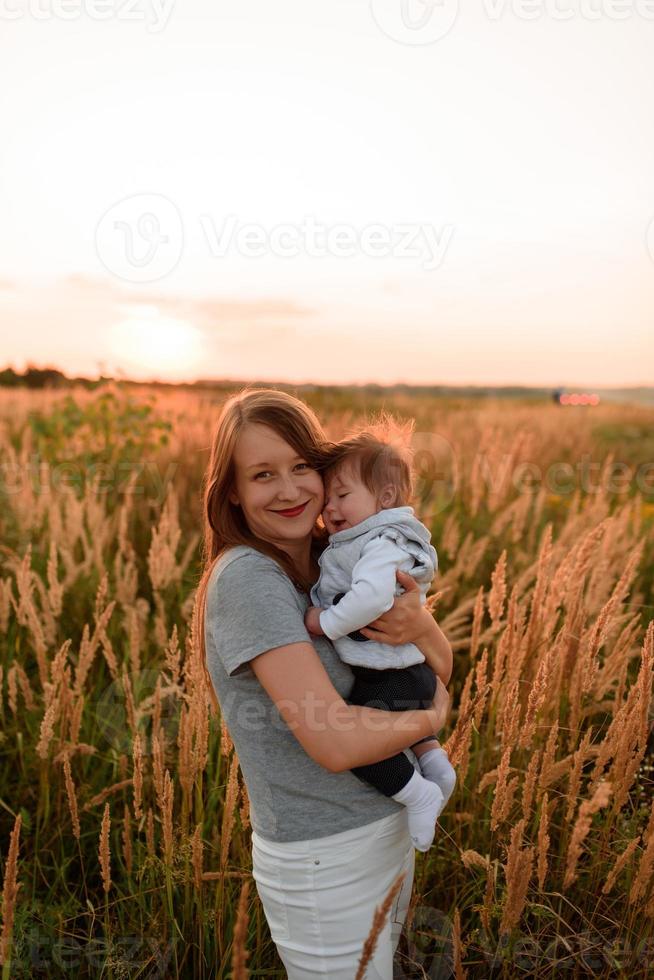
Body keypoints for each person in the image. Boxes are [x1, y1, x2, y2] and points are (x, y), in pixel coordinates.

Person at [194, 387, 453, 980]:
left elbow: (436, 665)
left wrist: (426, 631)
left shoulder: (336, 555)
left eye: (301, 467)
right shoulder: (249, 581)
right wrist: (434, 718)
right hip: (324, 859)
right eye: (262, 475)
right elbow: (334, 743)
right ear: (232, 489)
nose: (289, 490)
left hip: (389, 826)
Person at [303, 419, 457, 851]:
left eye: (343, 495)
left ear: (385, 497)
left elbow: (371, 596)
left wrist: (324, 621)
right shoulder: (361, 537)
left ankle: (417, 792)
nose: (330, 508)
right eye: (326, 497)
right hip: (407, 672)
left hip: (396, 674)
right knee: (394, 726)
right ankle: (435, 762)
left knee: (363, 748)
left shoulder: (382, 541)